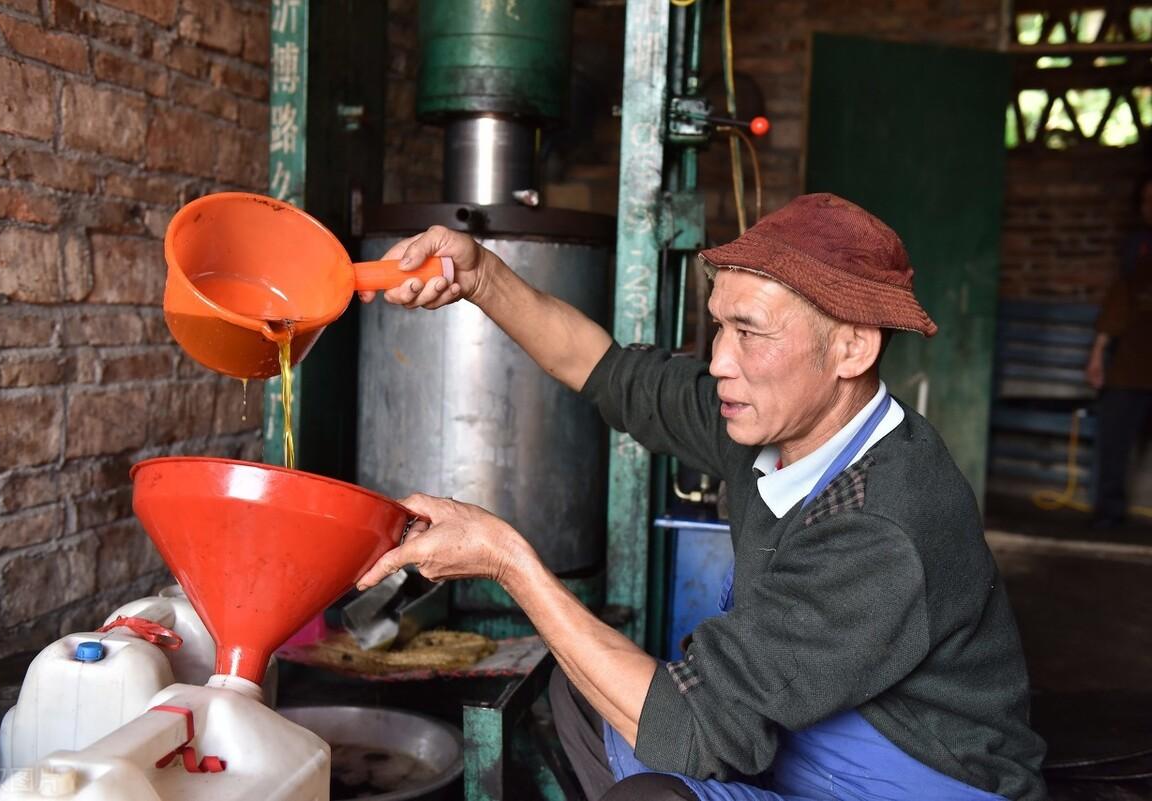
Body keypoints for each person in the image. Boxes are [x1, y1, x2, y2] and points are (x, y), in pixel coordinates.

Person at [356, 193, 1047, 801]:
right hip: (795, 748)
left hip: (914, 782)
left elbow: (696, 731)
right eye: (720, 326)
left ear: (852, 349)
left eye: (750, 332)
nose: (719, 359)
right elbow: (600, 369)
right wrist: (483, 277)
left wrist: (509, 561)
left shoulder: (882, 523)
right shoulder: (767, 419)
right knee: (581, 680)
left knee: (653, 789)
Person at [1084, 177, 1152, 530]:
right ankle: (1109, 510)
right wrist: (1098, 355)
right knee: (1114, 438)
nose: (1149, 208)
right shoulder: (1137, 249)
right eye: (1145, 201)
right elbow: (1118, 303)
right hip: (1131, 365)